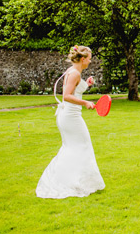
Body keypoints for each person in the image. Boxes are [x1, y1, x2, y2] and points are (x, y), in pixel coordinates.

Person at [36, 45, 105, 199]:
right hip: (71, 117)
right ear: (82, 59)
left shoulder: (74, 72)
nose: (90, 61)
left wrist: (86, 84)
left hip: (68, 116)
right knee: (82, 145)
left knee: (74, 147)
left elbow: (75, 91)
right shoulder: (74, 73)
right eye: (89, 59)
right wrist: (86, 103)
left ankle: (74, 180)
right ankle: (71, 182)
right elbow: (66, 96)